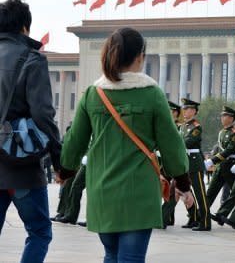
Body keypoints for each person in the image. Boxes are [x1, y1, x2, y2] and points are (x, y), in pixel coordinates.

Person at [60, 27, 193, 262]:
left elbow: (74, 143)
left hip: (102, 192)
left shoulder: (93, 94)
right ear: (140, 56)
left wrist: (65, 170)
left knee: (111, 255)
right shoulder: (152, 94)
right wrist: (182, 180)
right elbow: (172, 144)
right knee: (131, 258)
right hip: (138, 193)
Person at [0, 0, 73, 263]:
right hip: (20, 165)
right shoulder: (32, 60)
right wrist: (59, 162)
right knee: (40, 231)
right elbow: (44, 116)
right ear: (24, 28)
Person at [161, 101, 198, 229]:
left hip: (179, 162)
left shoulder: (179, 126)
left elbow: (178, 144)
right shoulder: (177, 126)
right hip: (170, 160)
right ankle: (191, 217)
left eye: (172, 111)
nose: (169, 114)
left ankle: (164, 218)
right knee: (179, 190)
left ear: (176, 114)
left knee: (177, 190)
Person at [204, 106, 235, 224]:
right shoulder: (221, 132)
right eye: (222, 116)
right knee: (211, 192)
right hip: (221, 166)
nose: (222, 118)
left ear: (231, 118)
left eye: (225, 116)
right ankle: (200, 215)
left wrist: (213, 160)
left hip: (230, 166)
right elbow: (219, 149)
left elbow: (229, 150)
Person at [179, 98, 209, 231]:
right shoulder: (183, 126)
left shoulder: (196, 127)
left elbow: (187, 142)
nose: (185, 111)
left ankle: (206, 222)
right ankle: (193, 218)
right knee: (186, 193)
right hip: (185, 163)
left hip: (195, 164)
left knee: (200, 194)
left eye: (188, 109)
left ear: (194, 111)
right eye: (184, 109)